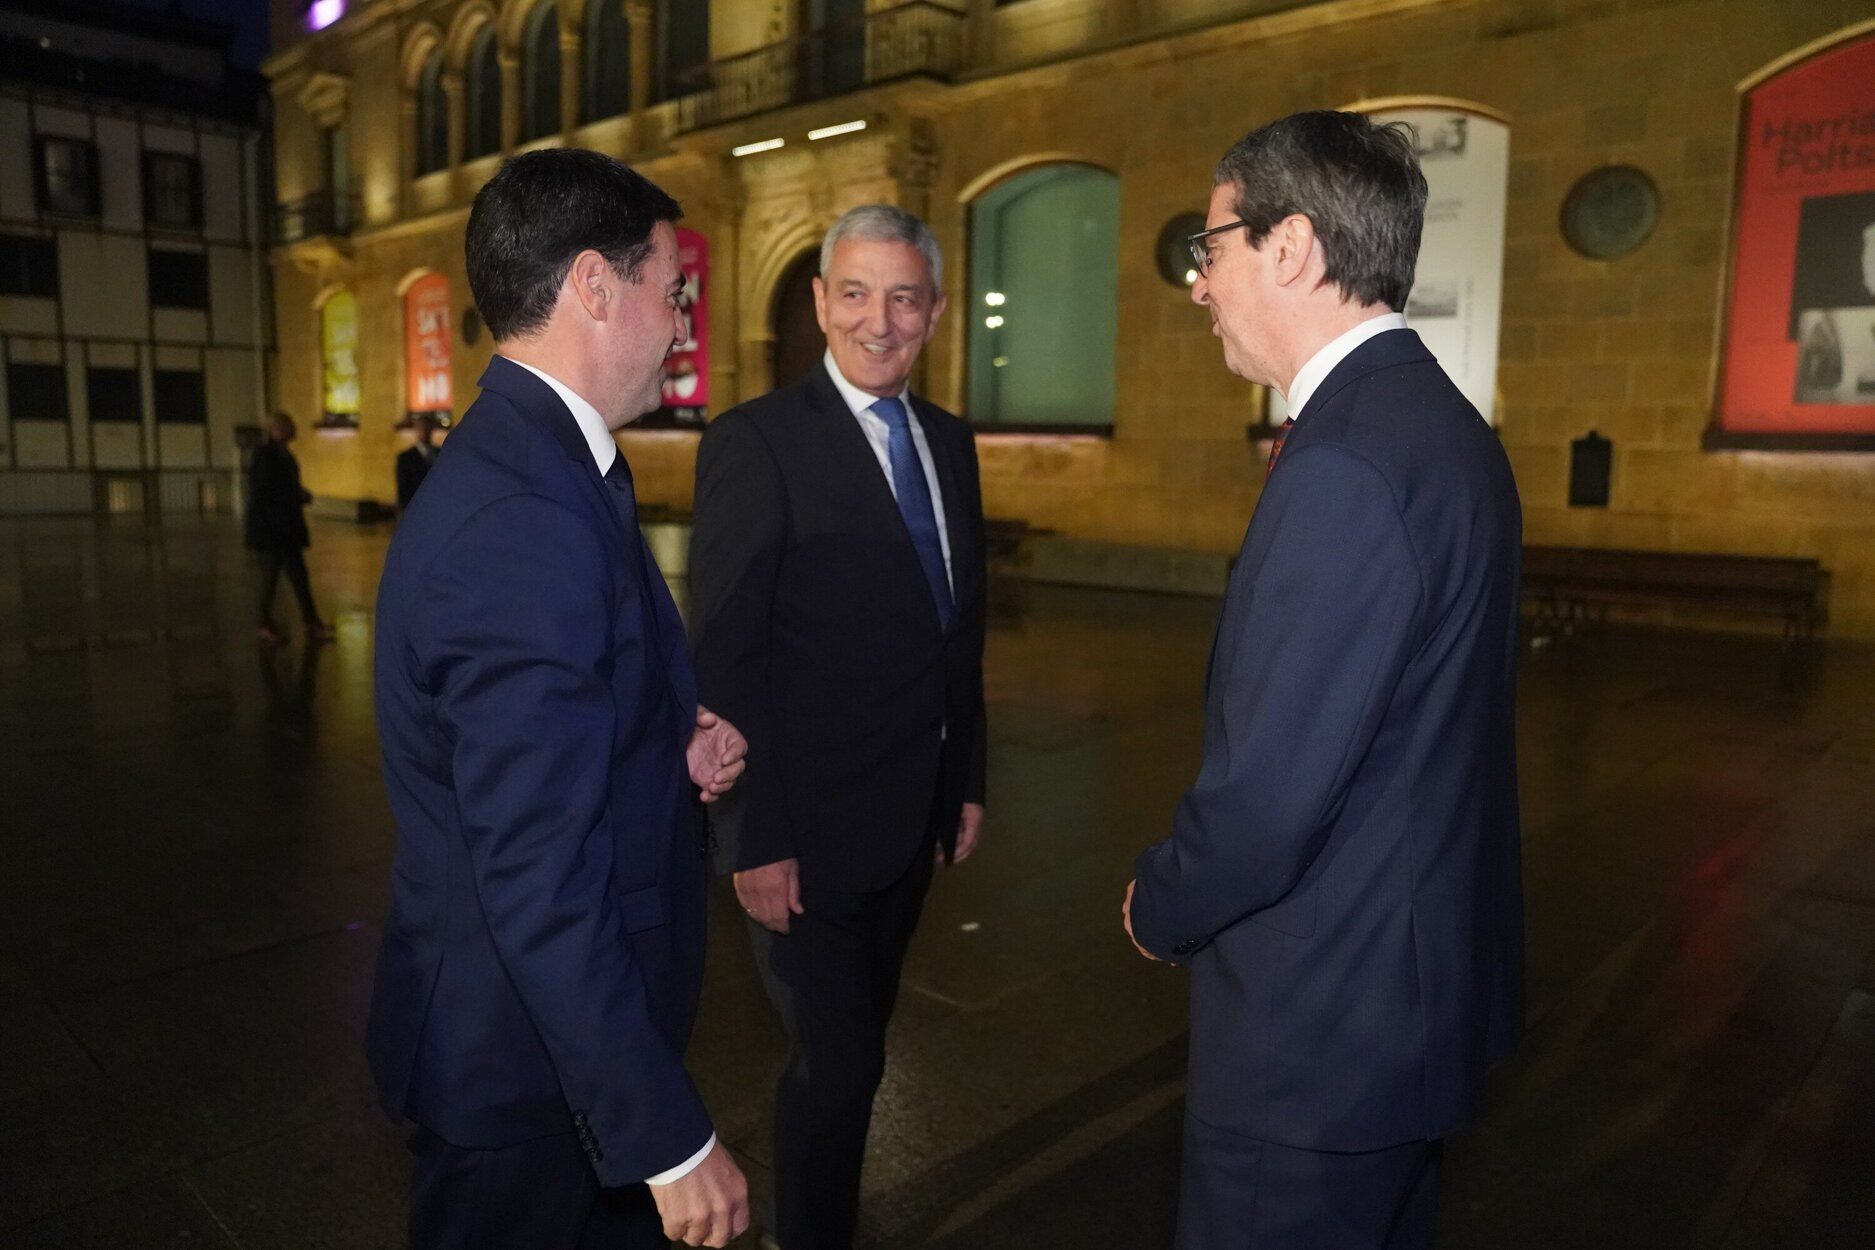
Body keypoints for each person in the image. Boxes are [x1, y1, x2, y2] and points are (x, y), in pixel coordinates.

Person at [1123, 111, 1525, 1249]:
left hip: (1320, 1036)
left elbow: (1269, 796)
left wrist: (1163, 900)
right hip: (1404, 1008)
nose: (1199, 285)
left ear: (1289, 246)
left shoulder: (1344, 461)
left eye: (1211, 249)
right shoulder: (1441, 424)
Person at [366, 149, 751, 1250]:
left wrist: (656, 743)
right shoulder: (521, 516)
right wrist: (668, 1139)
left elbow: (534, 740)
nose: (681, 323)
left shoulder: (548, 466)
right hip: (525, 1082)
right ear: (595, 284)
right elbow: (534, 871)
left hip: (552, 1058)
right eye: (671, 292)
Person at [687, 204, 988, 1250]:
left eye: (904, 296)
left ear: (936, 310)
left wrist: (969, 780)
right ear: (819, 301)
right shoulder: (757, 443)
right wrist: (752, 837)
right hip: (801, 836)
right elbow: (723, 659)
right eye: (854, 292)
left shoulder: (950, 442)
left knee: (852, 1049)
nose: (880, 319)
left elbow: (959, 630)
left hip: (910, 822)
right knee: (845, 1059)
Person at [244, 410, 333, 645]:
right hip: (272, 532)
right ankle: (266, 624)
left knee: (299, 577)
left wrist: (297, 495)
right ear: (275, 429)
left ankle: (311, 621)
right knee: (270, 579)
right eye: (288, 425)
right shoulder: (265, 456)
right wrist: (297, 495)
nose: (293, 429)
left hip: (286, 530)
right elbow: (266, 492)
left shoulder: (283, 455)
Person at [394, 412, 440, 511]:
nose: (424, 431)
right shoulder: (405, 457)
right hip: (416, 507)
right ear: (416, 430)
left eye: (427, 427)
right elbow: (403, 488)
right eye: (421, 428)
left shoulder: (441, 453)